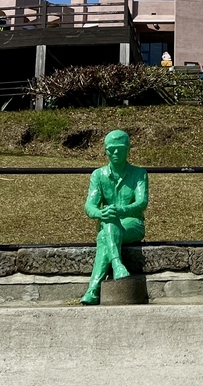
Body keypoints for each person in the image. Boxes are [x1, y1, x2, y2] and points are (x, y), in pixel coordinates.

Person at [81, 130, 148, 305]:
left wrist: (119, 210)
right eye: (112, 149)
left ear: (128, 149)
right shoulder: (98, 175)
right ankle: (117, 266)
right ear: (106, 150)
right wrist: (100, 213)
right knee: (108, 222)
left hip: (133, 224)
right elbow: (90, 205)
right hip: (108, 223)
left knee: (106, 231)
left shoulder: (139, 173)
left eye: (120, 148)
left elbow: (141, 203)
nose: (116, 153)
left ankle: (93, 289)